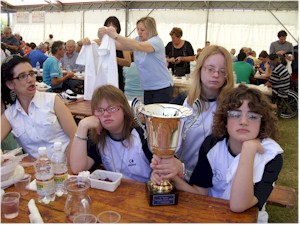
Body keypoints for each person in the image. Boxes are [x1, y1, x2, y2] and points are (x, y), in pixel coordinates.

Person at [151, 84, 283, 223]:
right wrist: (170, 176)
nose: (243, 121)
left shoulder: (272, 156)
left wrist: (248, 151)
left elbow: (239, 205)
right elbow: (200, 193)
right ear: (225, 120)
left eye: (252, 116)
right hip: (212, 214)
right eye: (235, 114)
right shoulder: (212, 145)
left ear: (262, 123)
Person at [168, 45, 235, 181]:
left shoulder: (232, 107)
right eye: (210, 69)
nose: (216, 74)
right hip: (178, 175)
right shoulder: (182, 101)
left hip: (213, 180)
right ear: (199, 69)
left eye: (222, 71)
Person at [69, 85, 152, 182]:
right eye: (100, 110)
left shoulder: (142, 135)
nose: (106, 114)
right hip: (115, 192)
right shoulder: (98, 137)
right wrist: (82, 126)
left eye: (112, 108)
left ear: (124, 110)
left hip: (144, 191)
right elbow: (77, 169)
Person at [1, 54, 77, 159]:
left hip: (66, 166)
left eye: (31, 73)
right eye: (22, 76)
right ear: (10, 84)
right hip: (40, 172)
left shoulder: (53, 100)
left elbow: (76, 136)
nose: (30, 79)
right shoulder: (10, 115)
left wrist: (68, 168)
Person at [97, 16, 174, 104]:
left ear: (150, 29)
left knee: (157, 115)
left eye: (142, 30)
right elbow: (119, 45)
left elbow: (139, 46)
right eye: (138, 29)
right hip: (148, 88)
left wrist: (116, 36)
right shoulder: (138, 40)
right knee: (148, 115)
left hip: (162, 87)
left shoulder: (156, 41)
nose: (139, 32)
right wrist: (103, 38)